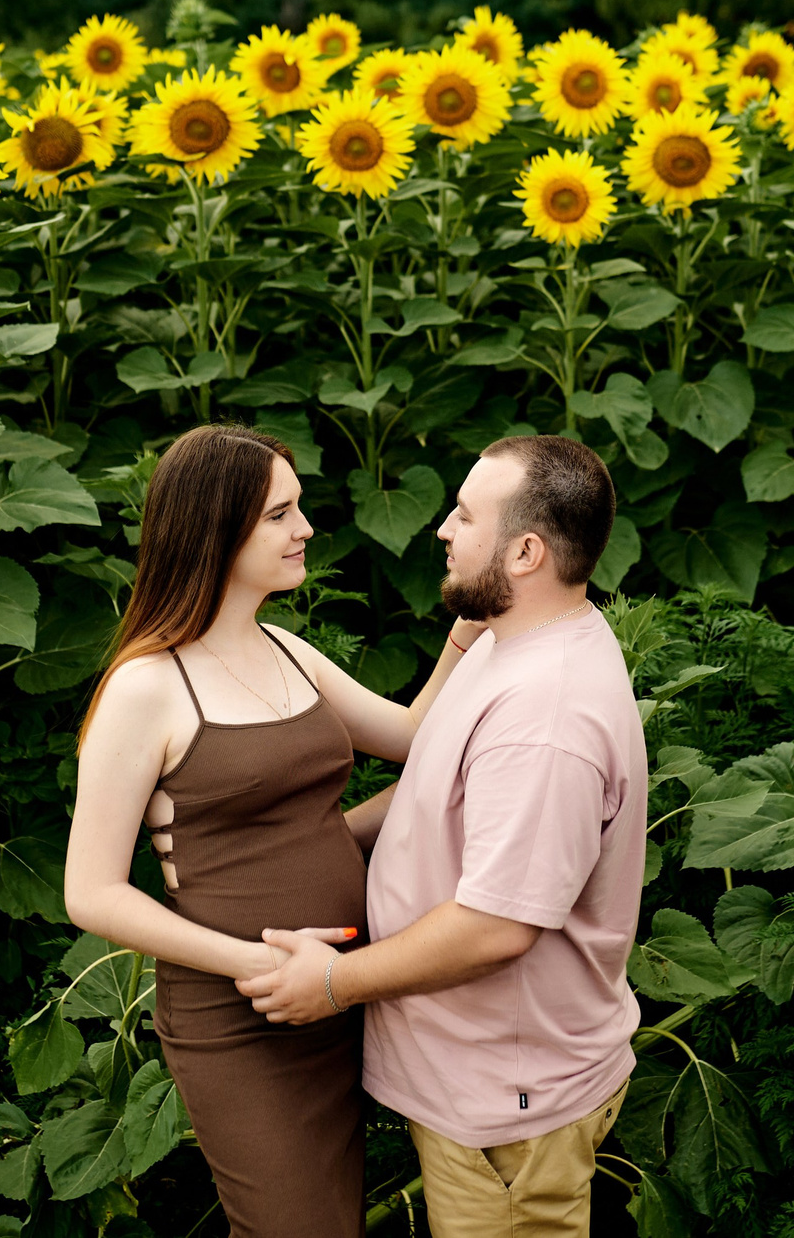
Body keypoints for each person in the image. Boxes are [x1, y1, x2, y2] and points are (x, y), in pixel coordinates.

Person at [63, 424, 484, 1237]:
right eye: (280, 514)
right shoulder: (145, 687)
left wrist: (474, 623)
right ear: (216, 531)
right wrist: (259, 962)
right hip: (242, 1012)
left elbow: (416, 741)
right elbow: (91, 892)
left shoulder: (288, 650)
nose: (306, 529)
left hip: (342, 985)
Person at [239, 435, 643, 1238]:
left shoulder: (547, 718)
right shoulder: (510, 640)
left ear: (526, 551)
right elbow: (437, 792)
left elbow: (497, 926)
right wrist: (312, 847)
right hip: (482, 1087)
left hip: (509, 1114)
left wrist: (333, 984)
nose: (442, 529)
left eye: (465, 514)